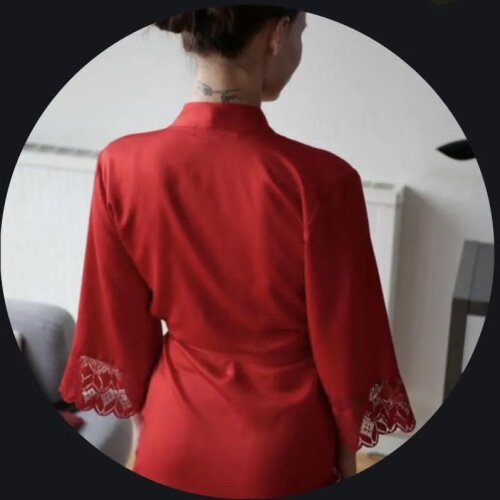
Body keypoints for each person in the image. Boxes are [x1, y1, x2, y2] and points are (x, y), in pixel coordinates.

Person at [58, 6, 417, 498]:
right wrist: (345, 448)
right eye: (302, 32)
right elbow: (347, 343)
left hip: (173, 436)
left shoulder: (120, 165)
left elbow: (120, 329)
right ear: (277, 33)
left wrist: (150, 421)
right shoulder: (323, 181)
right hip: (282, 447)